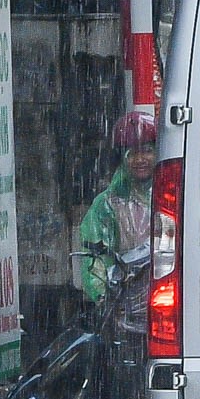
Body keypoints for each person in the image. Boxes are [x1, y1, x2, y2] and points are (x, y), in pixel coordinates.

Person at [78, 112, 156, 304]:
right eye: (132, 153)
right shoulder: (106, 205)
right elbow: (94, 258)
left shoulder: (175, 195)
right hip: (125, 299)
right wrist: (103, 296)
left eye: (146, 150)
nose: (140, 159)